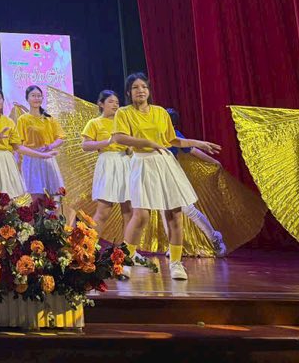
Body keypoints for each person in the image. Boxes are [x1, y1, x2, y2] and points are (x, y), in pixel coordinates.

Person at [110, 73, 221, 282]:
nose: (140, 90)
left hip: (165, 163)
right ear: (128, 92)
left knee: (175, 215)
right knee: (141, 216)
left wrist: (198, 143)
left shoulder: (160, 112)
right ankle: (125, 260)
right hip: (142, 163)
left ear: (149, 90)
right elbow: (118, 137)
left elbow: (173, 140)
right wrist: (149, 143)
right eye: (135, 87)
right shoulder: (124, 113)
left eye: (144, 87)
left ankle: (176, 264)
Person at [0, 87, 57, 198]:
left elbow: (18, 147)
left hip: (6, 159)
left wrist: (42, 155)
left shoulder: (9, 121)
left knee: (7, 198)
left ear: (3, 101)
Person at [163, 108, 227, 257]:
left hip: (173, 176)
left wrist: (213, 161)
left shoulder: (175, 135)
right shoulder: (154, 135)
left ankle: (215, 238)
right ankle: (173, 246)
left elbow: (192, 150)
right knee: (164, 211)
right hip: (158, 177)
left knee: (188, 209)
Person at [81, 90, 131, 243]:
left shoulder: (123, 123)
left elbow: (130, 146)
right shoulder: (94, 123)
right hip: (107, 163)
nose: (115, 105)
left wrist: (130, 148)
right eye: (111, 101)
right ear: (101, 104)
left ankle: (128, 250)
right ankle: (90, 248)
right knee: (103, 211)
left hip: (125, 163)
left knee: (129, 211)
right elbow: (85, 145)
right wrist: (107, 142)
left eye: (117, 102)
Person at [16, 85, 66, 203]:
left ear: (42, 98)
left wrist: (50, 146)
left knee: (54, 198)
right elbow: (18, 144)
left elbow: (61, 137)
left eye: (39, 96)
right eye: (33, 96)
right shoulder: (22, 119)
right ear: (27, 98)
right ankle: (39, 216)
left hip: (48, 158)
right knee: (37, 199)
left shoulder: (49, 118)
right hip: (31, 159)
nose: (36, 98)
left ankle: (52, 216)